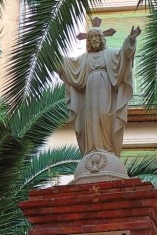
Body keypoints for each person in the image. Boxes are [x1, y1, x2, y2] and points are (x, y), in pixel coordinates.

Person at [58, 18, 139, 157]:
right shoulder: (84, 58)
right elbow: (69, 65)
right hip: (90, 89)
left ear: (101, 38)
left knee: (104, 114)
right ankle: (91, 149)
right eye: (91, 38)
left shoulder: (110, 53)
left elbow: (123, 56)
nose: (94, 39)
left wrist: (130, 40)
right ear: (88, 41)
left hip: (105, 87)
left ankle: (107, 148)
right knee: (90, 117)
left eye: (96, 36)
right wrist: (53, 58)